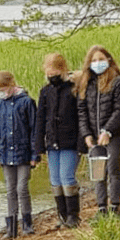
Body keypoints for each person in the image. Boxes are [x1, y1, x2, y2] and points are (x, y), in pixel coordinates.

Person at [76, 45, 120, 218]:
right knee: (98, 171)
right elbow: (81, 111)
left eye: (101, 59)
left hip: (113, 133)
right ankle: (101, 208)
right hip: (93, 133)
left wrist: (108, 131)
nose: (98, 63)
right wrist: (87, 134)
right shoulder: (86, 83)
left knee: (113, 167)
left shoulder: (116, 81)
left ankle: (115, 206)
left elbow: (119, 109)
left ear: (108, 60)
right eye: (94, 60)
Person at [34, 53, 86, 229]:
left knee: (67, 176)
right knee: (55, 179)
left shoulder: (73, 88)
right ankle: (62, 215)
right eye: (49, 73)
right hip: (52, 141)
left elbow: (81, 116)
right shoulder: (45, 91)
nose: (52, 76)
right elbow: (40, 119)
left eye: (55, 72)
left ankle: (73, 215)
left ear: (63, 69)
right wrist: (39, 145)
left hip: (70, 140)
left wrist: (81, 143)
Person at [0, 71, 38, 239]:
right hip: (5, 153)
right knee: (10, 189)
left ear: (11, 84)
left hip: (23, 152)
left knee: (22, 188)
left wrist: (34, 154)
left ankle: (27, 223)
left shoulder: (26, 102)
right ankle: (11, 227)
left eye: (2, 88)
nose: (0, 92)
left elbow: (34, 130)